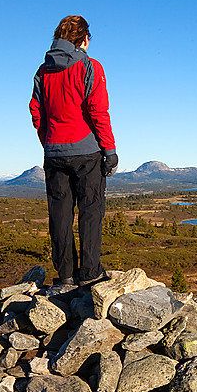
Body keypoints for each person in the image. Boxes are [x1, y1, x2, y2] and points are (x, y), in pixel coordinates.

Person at [29, 15, 118, 287]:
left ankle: (65, 275)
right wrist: (109, 150)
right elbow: (97, 112)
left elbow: (36, 111)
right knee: (91, 211)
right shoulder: (90, 67)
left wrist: (49, 141)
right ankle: (90, 274)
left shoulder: (43, 72)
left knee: (60, 214)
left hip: (54, 153)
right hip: (87, 153)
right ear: (84, 39)